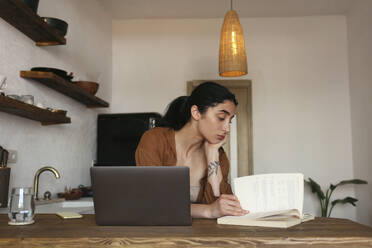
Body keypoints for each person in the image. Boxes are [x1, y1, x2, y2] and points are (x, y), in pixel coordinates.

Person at [135, 82, 249, 218]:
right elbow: (153, 203)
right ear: (196, 113)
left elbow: (222, 208)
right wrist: (207, 211)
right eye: (221, 118)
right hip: (158, 234)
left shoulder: (219, 155)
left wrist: (212, 154)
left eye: (229, 121)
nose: (227, 128)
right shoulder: (154, 140)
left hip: (204, 236)